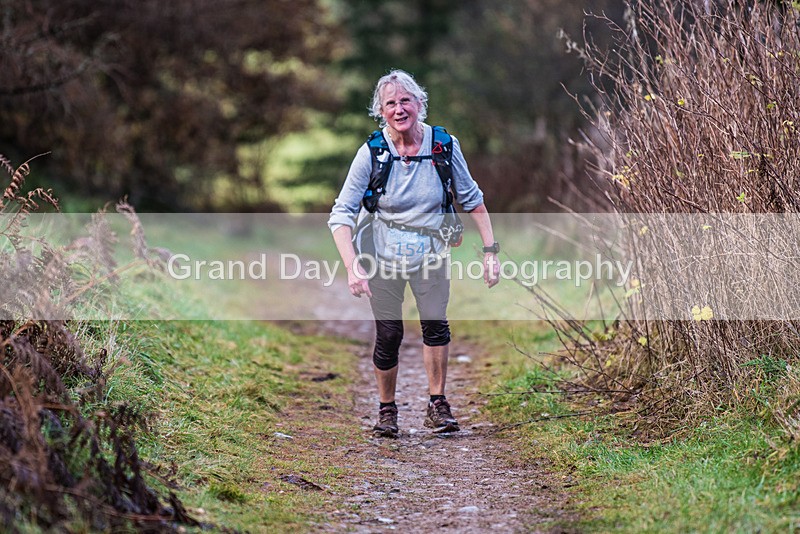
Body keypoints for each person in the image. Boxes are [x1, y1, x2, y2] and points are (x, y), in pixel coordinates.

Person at [328, 69, 499, 438]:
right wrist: (352, 265)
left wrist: (490, 251)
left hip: (432, 251)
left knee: (435, 325)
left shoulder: (442, 146)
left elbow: (474, 200)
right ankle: (387, 410)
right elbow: (341, 215)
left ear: (420, 103)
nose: (399, 108)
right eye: (390, 103)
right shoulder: (372, 152)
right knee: (389, 334)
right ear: (381, 111)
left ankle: (438, 404)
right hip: (382, 253)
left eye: (406, 100)